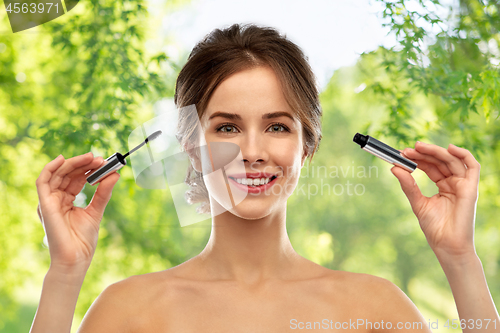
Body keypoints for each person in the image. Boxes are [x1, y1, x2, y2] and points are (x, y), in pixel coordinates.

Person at [30, 23, 499, 333]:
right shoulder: (126, 313)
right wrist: (65, 275)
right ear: (193, 147)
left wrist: (460, 260)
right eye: (227, 127)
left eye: (277, 126)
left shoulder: (375, 310)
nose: (252, 152)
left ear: (306, 146)